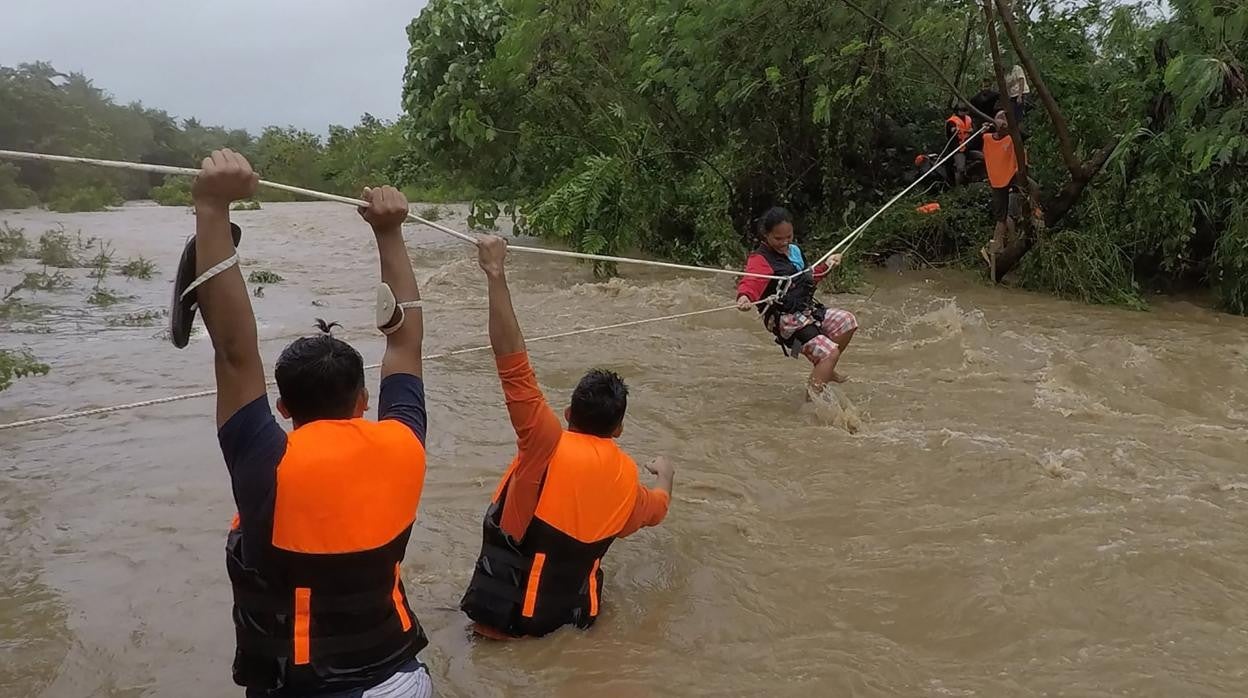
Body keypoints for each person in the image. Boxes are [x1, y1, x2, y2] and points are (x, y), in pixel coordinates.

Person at [185, 149, 433, 696]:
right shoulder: (404, 445)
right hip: (400, 681)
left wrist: (210, 206)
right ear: (364, 399)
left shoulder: (268, 465)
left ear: (284, 408)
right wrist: (390, 235)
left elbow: (233, 352)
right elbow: (406, 343)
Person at [460, 235, 675, 639]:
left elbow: (512, 362)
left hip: (499, 632)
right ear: (619, 430)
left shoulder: (544, 443)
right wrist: (665, 472)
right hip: (573, 629)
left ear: (568, 414)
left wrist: (495, 272)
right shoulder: (628, 481)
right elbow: (658, 509)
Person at [735, 207, 858, 390]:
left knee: (848, 322)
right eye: (778, 239)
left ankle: (825, 368)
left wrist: (828, 264)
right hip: (785, 319)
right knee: (829, 353)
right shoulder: (760, 259)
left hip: (806, 310)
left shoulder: (794, 251)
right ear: (766, 235)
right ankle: (811, 405)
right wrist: (745, 297)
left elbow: (808, 278)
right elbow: (752, 280)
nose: (785, 242)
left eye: (789, 237)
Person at [981, 110, 1024, 271]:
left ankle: (1007, 246)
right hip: (997, 182)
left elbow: (1022, 135)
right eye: (1000, 119)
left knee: (1010, 215)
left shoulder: (1013, 138)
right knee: (1003, 217)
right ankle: (999, 246)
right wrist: (985, 128)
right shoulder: (986, 138)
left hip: (1013, 180)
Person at [945, 103, 977, 185]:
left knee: (981, 157)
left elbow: (974, 128)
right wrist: (954, 130)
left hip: (968, 147)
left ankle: (972, 176)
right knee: (960, 168)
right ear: (957, 111)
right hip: (958, 149)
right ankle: (959, 187)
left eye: (965, 110)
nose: (964, 112)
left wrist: (972, 130)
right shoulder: (952, 121)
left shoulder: (968, 119)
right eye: (962, 111)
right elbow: (950, 129)